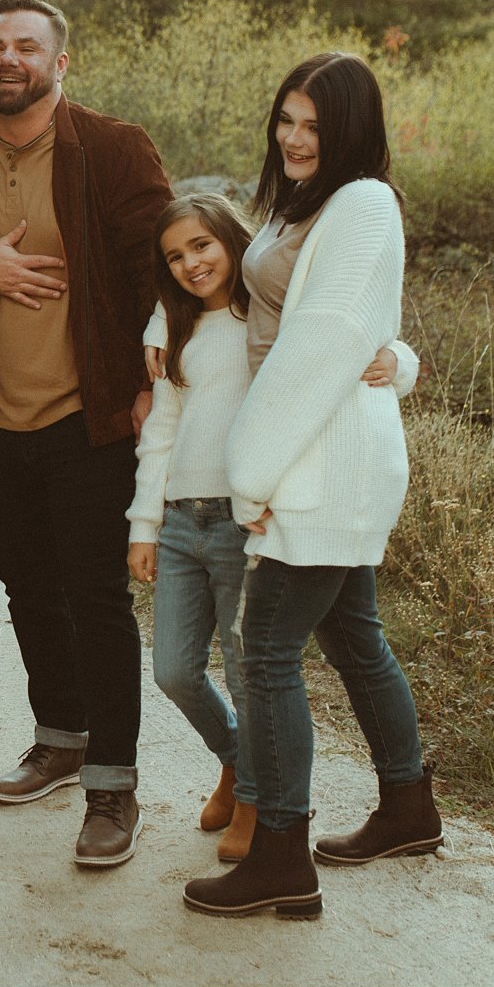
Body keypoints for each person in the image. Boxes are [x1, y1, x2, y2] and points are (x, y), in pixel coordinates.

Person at [181, 52, 443, 921]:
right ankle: (409, 807)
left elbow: (325, 345)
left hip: (319, 459)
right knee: (356, 635)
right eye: (285, 120)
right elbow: (343, 326)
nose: (293, 138)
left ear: (351, 134)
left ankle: (282, 854)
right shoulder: (310, 203)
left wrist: (251, 473)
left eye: (313, 127)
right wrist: (397, 359)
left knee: (264, 650)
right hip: (315, 446)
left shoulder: (362, 202)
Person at [0, 0, 172, 868]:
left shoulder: (111, 148)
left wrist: (154, 384)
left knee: (97, 597)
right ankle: (60, 738)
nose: (8, 58)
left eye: (27, 45)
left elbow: (164, 269)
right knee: (27, 587)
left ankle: (112, 785)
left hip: (89, 416)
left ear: (61, 63)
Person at [129, 193, 417, 868]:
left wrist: (400, 361)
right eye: (174, 256)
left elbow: (346, 338)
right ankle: (235, 759)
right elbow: (161, 433)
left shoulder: (272, 316)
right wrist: (144, 522)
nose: (191, 263)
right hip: (179, 521)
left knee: (251, 667)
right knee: (173, 668)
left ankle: (259, 799)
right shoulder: (175, 331)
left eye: (202, 245)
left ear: (233, 239)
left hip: (244, 519)